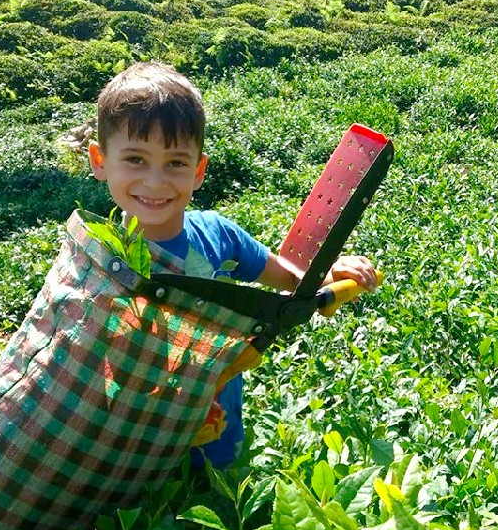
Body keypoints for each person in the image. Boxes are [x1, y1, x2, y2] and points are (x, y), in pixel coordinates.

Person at [88, 61, 378, 468]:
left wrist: (332, 275)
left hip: (217, 432)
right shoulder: (97, 259)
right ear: (100, 160)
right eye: (135, 159)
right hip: (133, 451)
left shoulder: (217, 235)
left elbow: (289, 281)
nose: (155, 182)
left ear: (199, 170)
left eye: (175, 163)